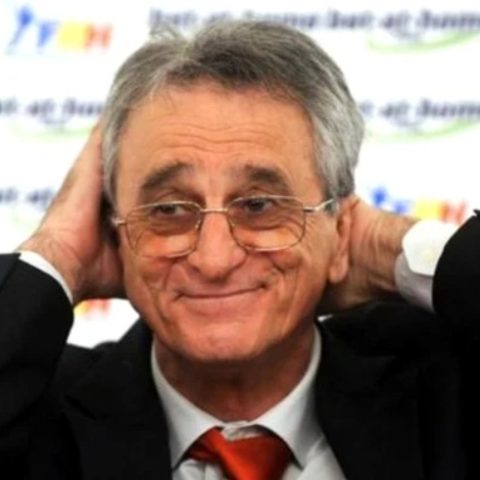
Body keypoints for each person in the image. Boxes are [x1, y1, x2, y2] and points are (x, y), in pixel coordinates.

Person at [1, 20, 479, 480]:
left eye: (259, 205)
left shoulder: (443, 390)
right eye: (169, 209)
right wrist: (57, 253)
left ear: (340, 227)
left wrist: (394, 247)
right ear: (114, 234)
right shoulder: (35, 410)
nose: (215, 260)